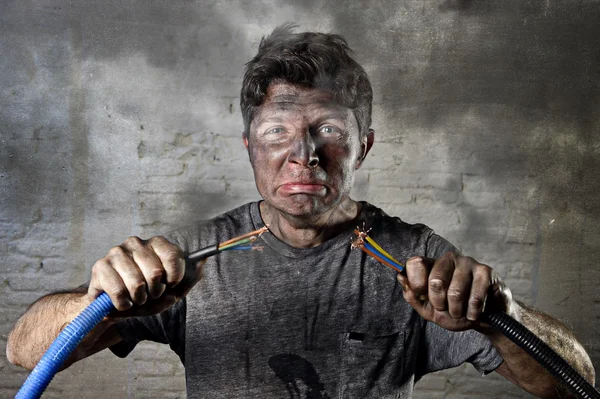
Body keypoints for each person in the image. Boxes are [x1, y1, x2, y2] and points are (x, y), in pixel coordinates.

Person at [7, 25, 595, 399]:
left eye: (329, 130)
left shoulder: (417, 260)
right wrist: (94, 304)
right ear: (250, 146)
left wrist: (500, 314)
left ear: (363, 146)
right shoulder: (189, 259)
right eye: (277, 131)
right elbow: (22, 353)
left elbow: (578, 384)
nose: (303, 154)